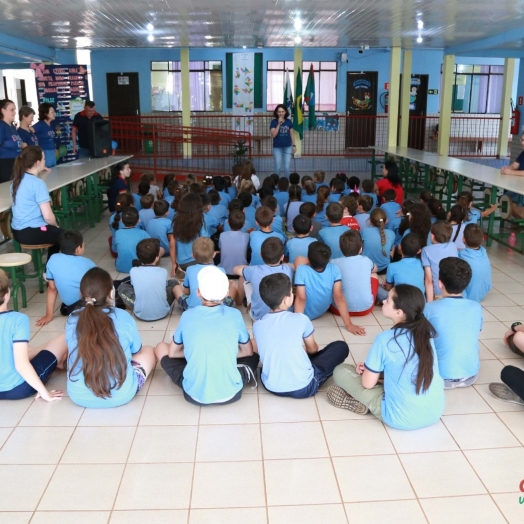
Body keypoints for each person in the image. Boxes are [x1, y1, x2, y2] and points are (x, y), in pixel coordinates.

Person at [328, 284, 446, 430]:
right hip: (434, 412)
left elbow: (367, 384)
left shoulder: (384, 339)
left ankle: (363, 404)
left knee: (340, 370)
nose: (383, 301)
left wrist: (370, 374)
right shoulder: (426, 334)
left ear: (399, 312)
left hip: (401, 418)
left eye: (388, 300)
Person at [155, 266, 259, 405]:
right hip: (232, 392)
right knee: (255, 344)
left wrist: (197, 352)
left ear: (198, 292)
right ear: (227, 293)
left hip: (193, 394)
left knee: (161, 347)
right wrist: (221, 352)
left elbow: (173, 353)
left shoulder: (187, 316)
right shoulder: (235, 315)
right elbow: (247, 351)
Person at [66, 267, 156, 408]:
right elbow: (136, 352)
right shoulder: (123, 316)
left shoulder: (73, 318)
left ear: (82, 294)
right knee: (149, 351)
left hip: (78, 395)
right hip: (121, 395)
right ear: (112, 293)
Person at [254, 273, 349, 398]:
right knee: (340, 347)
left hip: (271, 386)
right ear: (286, 300)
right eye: (291, 292)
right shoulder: (301, 319)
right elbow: (312, 349)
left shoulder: (258, 325)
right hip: (304, 387)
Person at [0, 268, 67, 401]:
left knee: (15, 346)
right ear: (7, 294)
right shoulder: (17, 319)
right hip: (17, 388)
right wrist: (44, 392)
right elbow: (21, 364)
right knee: (64, 337)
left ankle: (52, 357)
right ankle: (58, 360)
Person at [424, 257, 482, 389]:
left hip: (439, 377)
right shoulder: (476, 307)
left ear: (440, 283)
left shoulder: (429, 308)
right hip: (470, 376)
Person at [294, 242, 366, 335]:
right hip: (320, 311)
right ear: (328, 259)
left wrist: (296, 325)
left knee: (295, 262)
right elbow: (338, 297)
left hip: (303, 312)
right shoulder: (334, 268)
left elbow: (301, 298)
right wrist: (349, 325)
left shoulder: (301, 270)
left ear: (308, 259)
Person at [10, 146, 63, 260]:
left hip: (17, 232)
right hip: (32, 232)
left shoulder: (16, 180)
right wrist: (56, 227)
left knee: (57, 233)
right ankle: (49, 271)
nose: (45, 161)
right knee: (66, 236)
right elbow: (48, 217)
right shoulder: (37, 183)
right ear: (38, 163)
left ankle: (49, 269)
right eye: (44, 159)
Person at [36, 230, 96, 326]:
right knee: (116, 285)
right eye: (83, 245)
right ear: (78, 248)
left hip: (68, 308)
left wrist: (48, 315)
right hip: (88, 306)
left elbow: (52, 288)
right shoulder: (88, 263)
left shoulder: (53, 259)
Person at [234, 237, 294, 321]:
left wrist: (248, 267)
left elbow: (235, 269)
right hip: (286, 315)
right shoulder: (289, 269)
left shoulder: (254, 270)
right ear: (282, 257)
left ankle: (239, 301)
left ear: (260, 254)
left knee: (243, 275)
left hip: (259, 316)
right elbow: (293, 265)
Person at [117, 238, 177, 321]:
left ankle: (133, 305)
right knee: (173, 282)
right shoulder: (163, 271)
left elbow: (134, 286)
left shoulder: (133, 271)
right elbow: (165, 286)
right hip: (163, 312)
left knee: (122, 287)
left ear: (138, 257)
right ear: (157, 258)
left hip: (141, 314)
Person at [172, 237, 235, 310]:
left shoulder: (189, 270)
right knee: (233, 287)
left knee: (176, 287)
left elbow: (186, 292)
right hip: (219, 306)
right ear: (214, 254)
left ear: (193, 256)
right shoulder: (221, 270)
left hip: (193, 308)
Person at [332, 230, 379, 315]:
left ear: (339, 247)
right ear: (361, 249)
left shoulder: (334, 263)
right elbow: (376, 269)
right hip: (366, 309)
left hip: (338, 310)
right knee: (374, 274)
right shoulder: (366, 260)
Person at [169, 192, 209, 275]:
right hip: (197, 261)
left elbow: (172, 244)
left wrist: (174, 264)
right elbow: (205, 241)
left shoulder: (176, 220)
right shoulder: (200, 220)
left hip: (182, 263)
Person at [377, 233, 424, 302]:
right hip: (419, 301)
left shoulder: (392, 266)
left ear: (399, 247)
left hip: (400, 302)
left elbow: (388, 288)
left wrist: (388, 284)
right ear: (419, 251)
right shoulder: (422, 264)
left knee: (376, 287)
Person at [422, 221, 458, 302]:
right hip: (454, 290)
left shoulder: (426, 250)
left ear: (432, 236)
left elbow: (428, 279)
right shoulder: (453, 245)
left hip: (439, 292)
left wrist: (429, 303)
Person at [458, 223, 492, 302]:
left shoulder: (460, 255)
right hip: (483, 293)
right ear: (482, 239)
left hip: (467, 296)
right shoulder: (484, 251)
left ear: (463, 239)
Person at [113, 207, 152, 273]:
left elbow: (114, 249)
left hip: (121, 267)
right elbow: (151, 248)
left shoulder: (117, 233)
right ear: (138, 220)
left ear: (121, 220)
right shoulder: (143, 233)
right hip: (139, 267)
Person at [361, 208, 395, 274]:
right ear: (386, 221)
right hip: (385, 268)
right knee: (393, 246)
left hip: (368, 267)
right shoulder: (391, 233)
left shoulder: (365, 231)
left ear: (370, 221)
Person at [218, 210, 249, 277]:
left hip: (225, 271)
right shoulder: (246, 236)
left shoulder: (222, 235)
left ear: (228, 222)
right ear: (244, 224)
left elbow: (220, 248)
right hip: (241, 271)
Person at [0, 99, 23, 183]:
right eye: (11, 110)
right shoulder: (1, 126)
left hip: (16, 163)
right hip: (5, 164)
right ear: (3, 111)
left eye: (15, 110)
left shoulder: (12, 127)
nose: (14, 112)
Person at [270, 104, 296, 178]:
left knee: (287, 167)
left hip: (287, 147)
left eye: (282, 111)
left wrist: (294, 145)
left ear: (285, 112)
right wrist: (279, 124)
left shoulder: (289, 122)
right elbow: (274, 135)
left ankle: (286, 184)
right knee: (278, 167)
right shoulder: (273, 122)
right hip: (277, 147)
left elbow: (292, 135)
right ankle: (275, 183)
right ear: (276, 113)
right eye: (279, 112)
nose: (281, 113)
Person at [33, 103, 57, 168]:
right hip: (45, 152)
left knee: (54, 172)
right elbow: (29, 131)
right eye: (52, 112)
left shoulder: (50, 125)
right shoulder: (40, 125)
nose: (54, 113)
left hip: (52, 152)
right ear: (46, 114)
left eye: (54, 111)